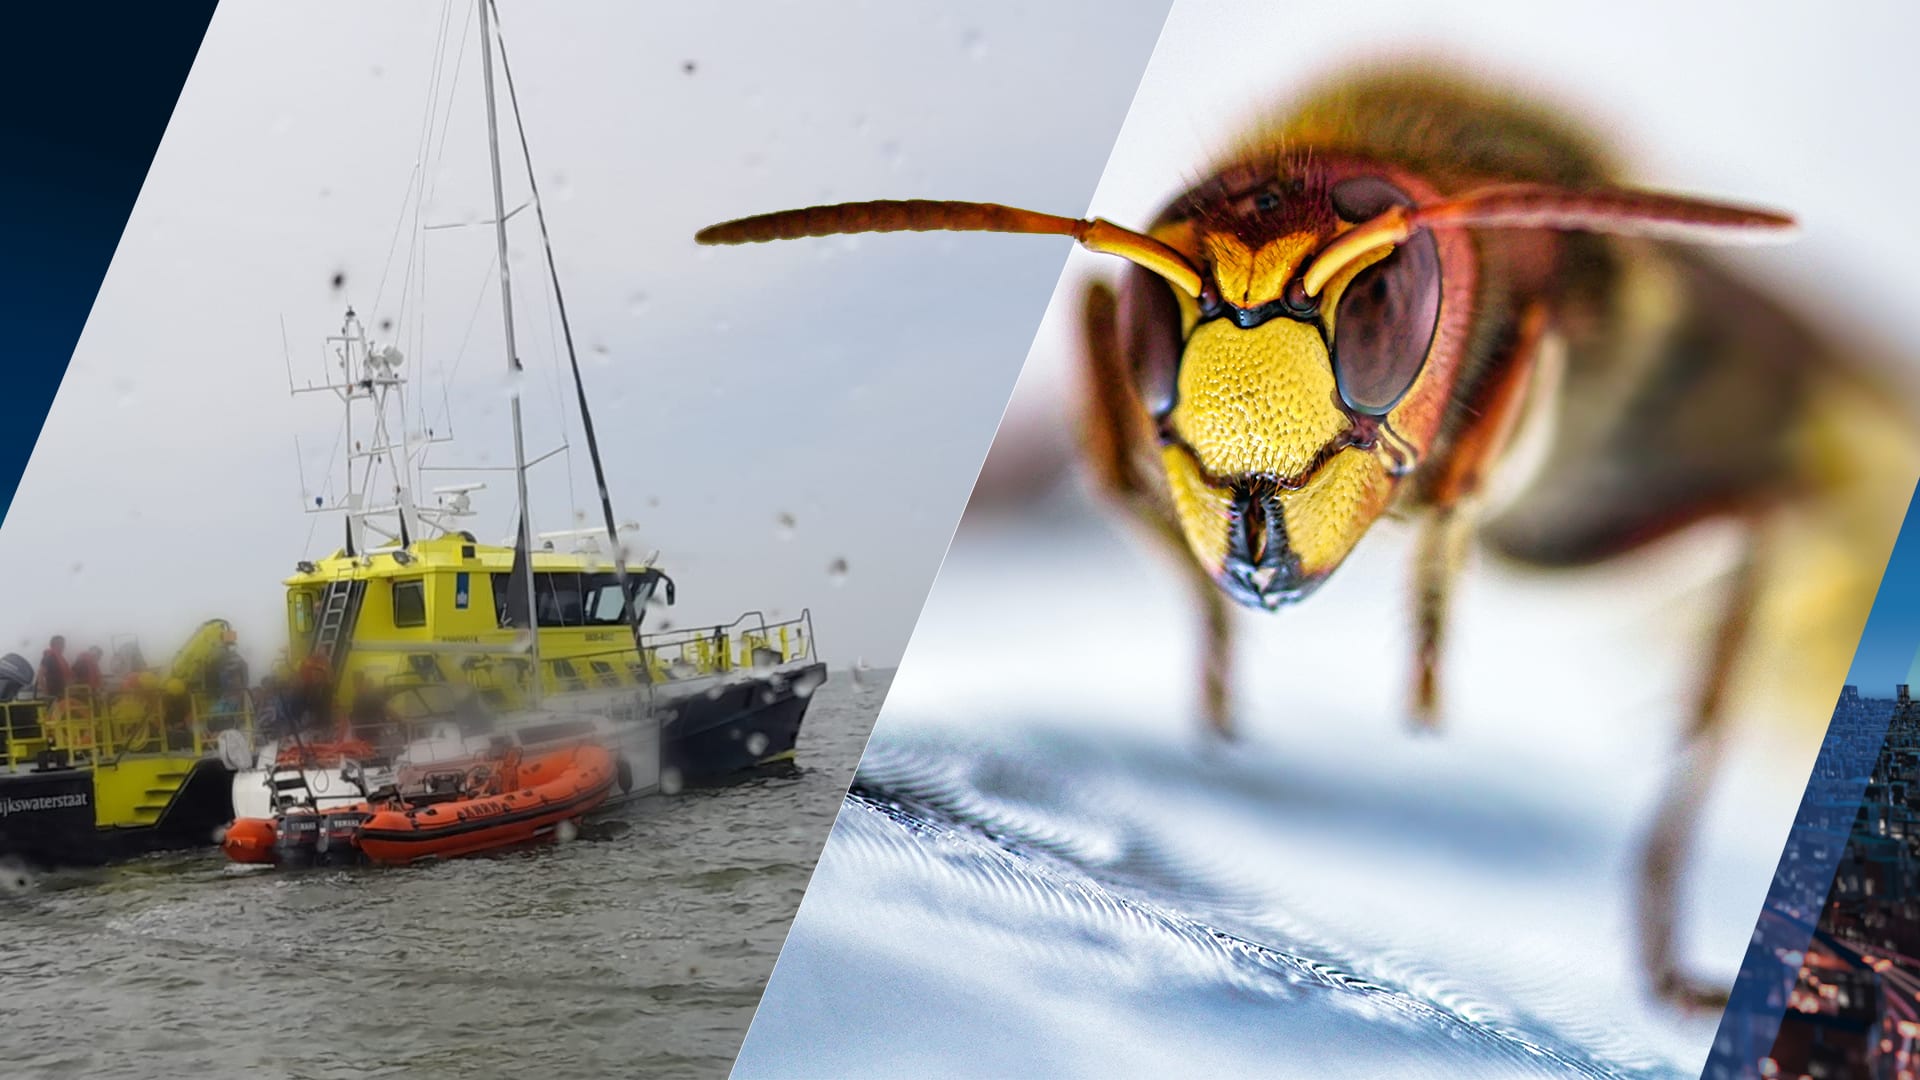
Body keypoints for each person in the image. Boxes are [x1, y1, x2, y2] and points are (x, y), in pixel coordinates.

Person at [37, 636, 70, 700]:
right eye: (59, 643)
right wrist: (45, 691)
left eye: (63, 644)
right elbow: (40, 675)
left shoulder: (61, 659)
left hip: (62, 692)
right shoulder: (49, 657)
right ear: (53, 645)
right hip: (52, 693)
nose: (62, 646)